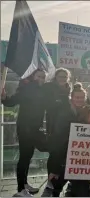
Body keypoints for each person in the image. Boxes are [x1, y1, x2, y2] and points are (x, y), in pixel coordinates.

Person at [1, 69, 46, 197]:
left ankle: (24, 184)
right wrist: (4, 97)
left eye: (43, 77)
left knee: (28, 156)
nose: (41, 79)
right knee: (24, 157)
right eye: (39, 76)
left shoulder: (42, 90)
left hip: (35, 128)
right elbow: (12, 101)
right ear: (33, 77)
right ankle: (21, 189)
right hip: (25, 128)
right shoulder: (27, 88)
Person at [48, 83, 90, 197]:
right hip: (64, 156)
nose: (79, 100)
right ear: (71, 98)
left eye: (82, 97)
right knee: (57, 186)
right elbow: (58, 140)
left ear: (85, 98)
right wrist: (54, 168)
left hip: (79, 158)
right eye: (77, 97)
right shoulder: (64, 113)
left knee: (81, 191)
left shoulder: (87, 111)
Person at [41, 68, 71, 197]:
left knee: (64, 155)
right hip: (54, 127)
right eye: (60, 76)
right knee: (54, 154)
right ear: (56, 77)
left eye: (65, 76)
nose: (63, 78)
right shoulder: (50, 88)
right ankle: (51, 181)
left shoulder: (69, 89)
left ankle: (60, 180)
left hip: (67, 127)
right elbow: (47, 105)